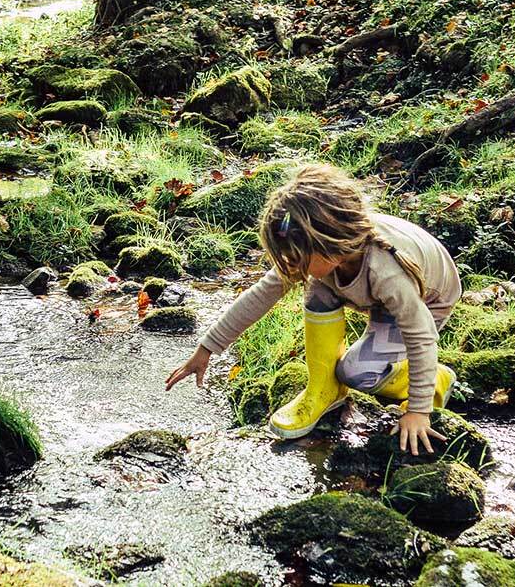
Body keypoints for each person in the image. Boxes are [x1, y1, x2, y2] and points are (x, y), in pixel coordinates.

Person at [166, 164, 462, 455]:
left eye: (296, 258)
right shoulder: (324, 254)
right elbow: (260, 296)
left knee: (357, 373)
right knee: (316, 287)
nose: (291, 267)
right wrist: (206, 348)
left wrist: (419, 411)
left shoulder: (387, 271)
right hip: (374, 293)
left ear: (328, 244)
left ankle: (435, 380)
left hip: (428, 301)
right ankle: (323, 389)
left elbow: (420, 335)